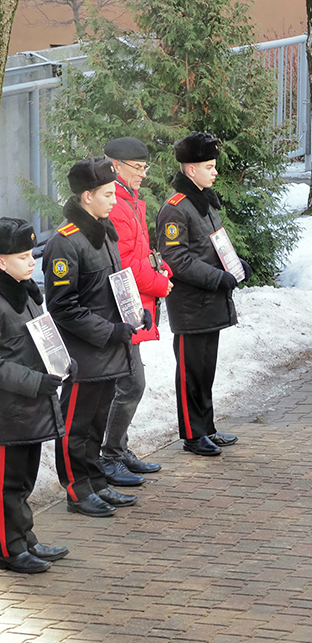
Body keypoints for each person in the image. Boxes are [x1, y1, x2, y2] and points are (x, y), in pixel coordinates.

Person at [44, 157, 150, 517]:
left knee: (96, 423)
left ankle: (96, 482)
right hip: (84, 355)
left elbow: (115, 284)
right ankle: (77, 490)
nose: (114, 200)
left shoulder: (103, 231)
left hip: (109, 349)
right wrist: (111, 331)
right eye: (107, 194)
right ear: (86, 197)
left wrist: (135, 313)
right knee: (75, 426)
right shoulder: (66, 243)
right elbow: (63, 308)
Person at [156, 132, 246, 456]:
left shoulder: (203, 201)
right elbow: (176, 259)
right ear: (190, 169)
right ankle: (193, 435)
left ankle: (206, 427)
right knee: (190, 373)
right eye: (209, 166)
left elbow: (213, 244)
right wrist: (217, 277)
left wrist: (236, 266)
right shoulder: (175, 208)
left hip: (209, 302)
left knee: (206, 370)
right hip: (191, 305)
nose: (215, 171)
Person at [0, 218, 70, 572]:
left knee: (24, 479)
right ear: (1, 261)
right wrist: (35, 382)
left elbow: (40, 338)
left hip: (28, 405)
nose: (32, 262)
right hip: (7, 411)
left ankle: (25, 538)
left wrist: (61, 364)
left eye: (32, 255)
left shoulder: (24, 291)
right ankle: (8, 548)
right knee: (7, 483)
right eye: (23, 256)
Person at [101, 136, 170, 484]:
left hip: (131, 307)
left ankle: (117, 449)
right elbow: (125, 266)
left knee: (127, 383)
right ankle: (110, 454)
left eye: (145, 167)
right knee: (130, 386)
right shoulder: (117, 205)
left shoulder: (128, 201)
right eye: (139, 168)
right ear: (116, 167)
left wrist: (160, 271)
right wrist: (160, 284)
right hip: (121, 309)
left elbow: (139, 255)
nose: (144, 174)